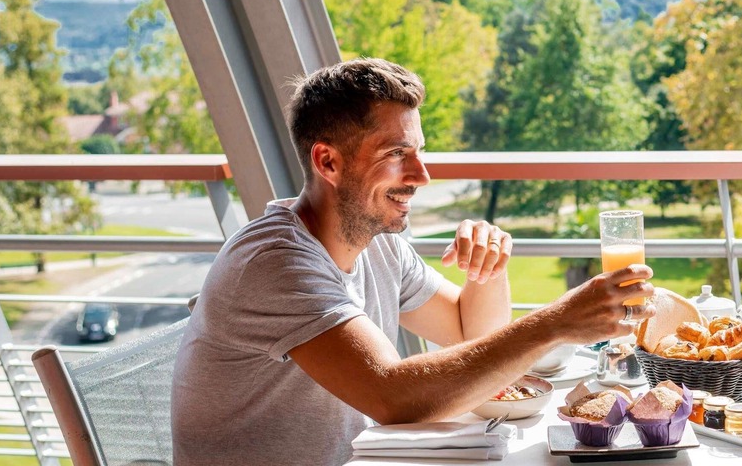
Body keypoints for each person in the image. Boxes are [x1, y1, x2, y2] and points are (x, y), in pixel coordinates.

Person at [172, 58, 654, 466]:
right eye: (397, 153)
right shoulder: (275, 262)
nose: (422, 176)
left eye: (419, 151)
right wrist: (557, 323)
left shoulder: (375, 239)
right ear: (328, 162)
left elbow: (473, 339)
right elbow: (396, 400)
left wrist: (488, 270)